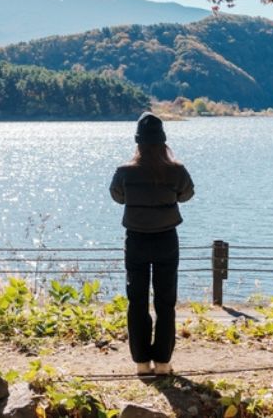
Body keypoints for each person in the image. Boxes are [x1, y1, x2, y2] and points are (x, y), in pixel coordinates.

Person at [109, 111, 195, 377]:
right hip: (166, 239)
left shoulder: (124, 172)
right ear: (163, 142)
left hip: (135, 239)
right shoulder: (176, 170)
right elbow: (187, 194)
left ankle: (141, 363)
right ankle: (163, 363)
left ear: (138, 143)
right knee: (165, 301)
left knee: (137, 300)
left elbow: (117, 197)